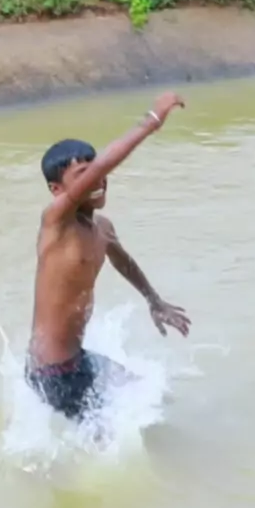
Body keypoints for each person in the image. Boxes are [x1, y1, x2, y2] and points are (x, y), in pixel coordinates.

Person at [26, 91, 191, 422]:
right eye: (84, 176)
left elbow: (123, 262)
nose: (98, 180)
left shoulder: (102, 228)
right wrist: (152, 121)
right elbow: (104, 163)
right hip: (52, 372)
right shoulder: (56, 224)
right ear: (57, 190)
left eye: (97, 173)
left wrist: (154, 300)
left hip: (79, 359)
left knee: (153, 396)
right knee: (108, 438)